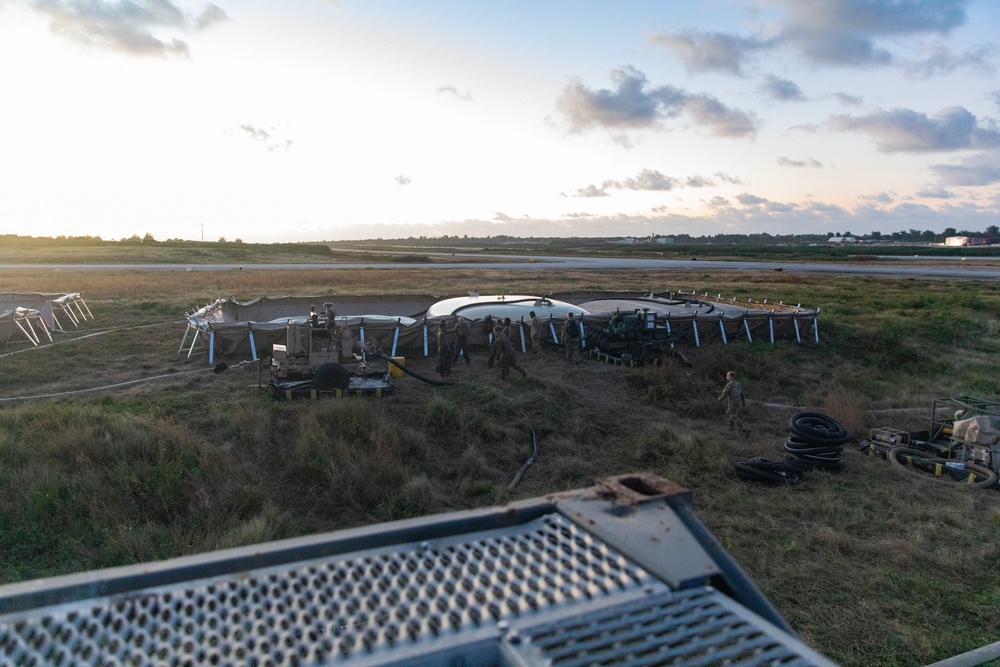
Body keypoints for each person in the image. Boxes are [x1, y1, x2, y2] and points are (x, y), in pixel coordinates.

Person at [719, 370, 750, 436]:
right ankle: (731, 428)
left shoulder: (729, 384)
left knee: (733, 416)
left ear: (730, 376)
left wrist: (720, 399)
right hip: (737, 402)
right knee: (729, 413)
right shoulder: (738, 384)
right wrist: (743, 401)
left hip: (732, 402)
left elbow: (725, 393)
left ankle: (745, 429)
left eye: (727, 375)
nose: (726, 377)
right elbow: (742, 393)